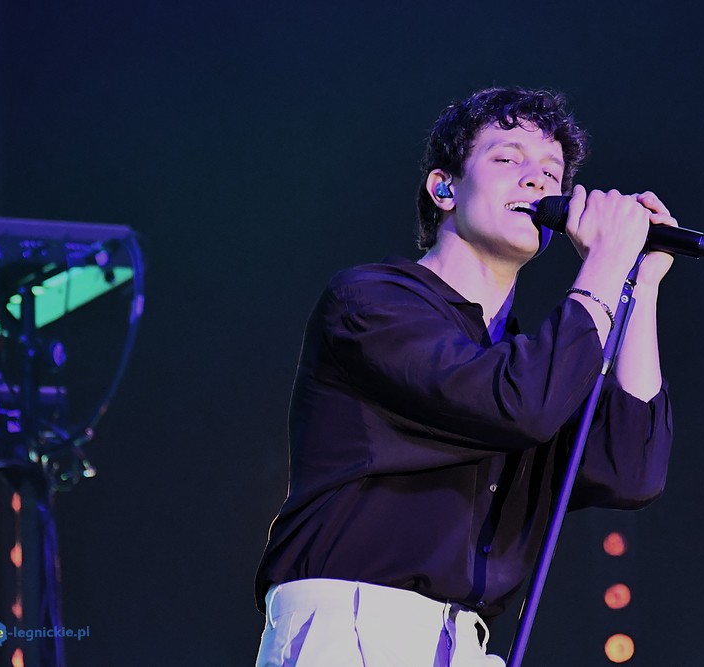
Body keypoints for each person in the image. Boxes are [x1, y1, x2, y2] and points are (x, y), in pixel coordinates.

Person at [254, 86, 676, 667]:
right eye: (507, 158)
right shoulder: (370, 302)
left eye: (552, 172)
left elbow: (631, 471)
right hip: (354, 625)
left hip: (463, 643)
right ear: (444, 188)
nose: (537, 180)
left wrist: (639, 285)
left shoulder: (527, 360)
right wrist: (603, 263)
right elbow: (516, 404)